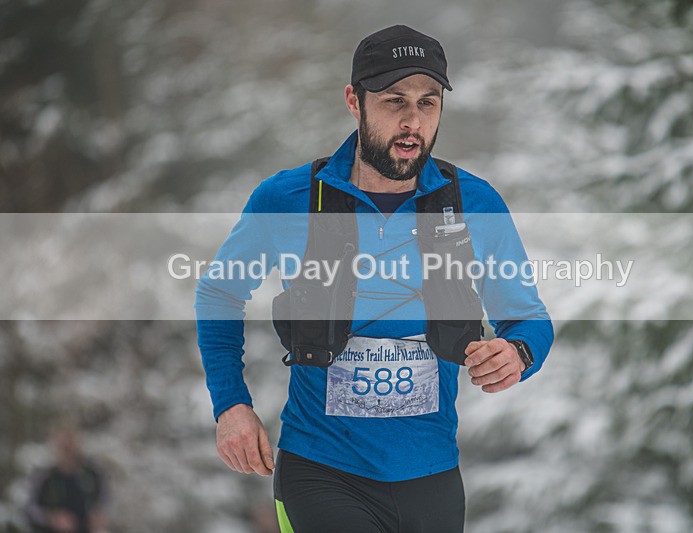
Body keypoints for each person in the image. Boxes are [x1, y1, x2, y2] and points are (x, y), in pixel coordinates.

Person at [196, 24, 554, 533]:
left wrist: (517, 354)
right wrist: (231, 404)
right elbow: (220, 291)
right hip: (322, 472)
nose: (413, 122)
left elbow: (529, 319)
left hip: (432, 476)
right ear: (354, 101)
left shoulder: (473, 204)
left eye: (428, 104)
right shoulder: (289, 198)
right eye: (394, 102)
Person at [25, 427, 109, 533]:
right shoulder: (45, 477)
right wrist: (53, 518)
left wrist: (99, 514)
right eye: (63, 444)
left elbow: (106, 499)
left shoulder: (93, 474)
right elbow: (30, 509)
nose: (68, 448)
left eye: (71, 442)